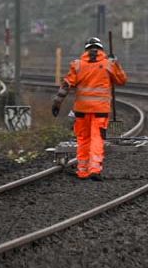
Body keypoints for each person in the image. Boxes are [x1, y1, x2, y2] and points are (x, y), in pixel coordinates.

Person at [52, 37, 127, 181]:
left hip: (81, 110)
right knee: (97, 139)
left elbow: (67, 85)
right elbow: (122, 80)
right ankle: (94, 169)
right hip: (100, 111)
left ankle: (82, 171)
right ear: (101, 50)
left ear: (86, 50)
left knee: (83, 139)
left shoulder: (77, 65)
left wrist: (57, 102)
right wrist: (115, 63)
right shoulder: (108, 64)